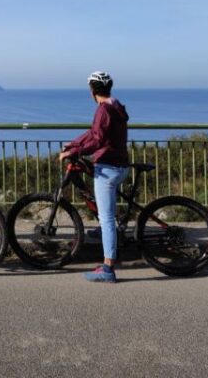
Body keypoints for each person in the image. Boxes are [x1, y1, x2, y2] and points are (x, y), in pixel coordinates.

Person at [59, 71, 129, 283]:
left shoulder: (103, 110)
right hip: (119, 165)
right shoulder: (115, 106)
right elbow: (93, 133)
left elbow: (97, 139)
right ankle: (109, 235)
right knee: (107, 215)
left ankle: (108, 269)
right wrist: (74, 144)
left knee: (106, 219)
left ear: (92, 91)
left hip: (108, 168)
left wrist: (74, 153)